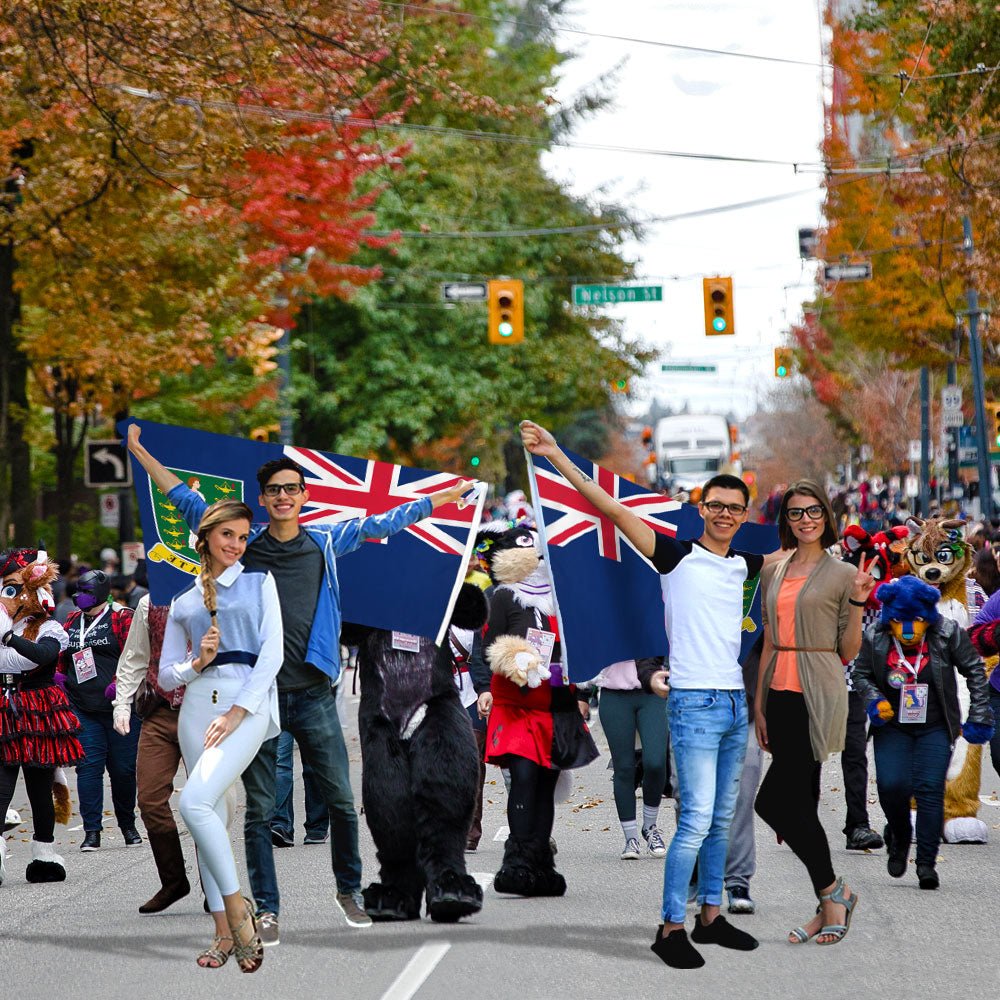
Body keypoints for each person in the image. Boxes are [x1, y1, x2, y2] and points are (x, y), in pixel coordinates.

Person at [127, 423, 473, 942]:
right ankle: (266, 908)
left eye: (292, 488)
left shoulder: (327, 542)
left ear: (304, 496)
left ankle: (349, 891)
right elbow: (183, 501)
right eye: (274, 491)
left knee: (338, 798)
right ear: (262, 500)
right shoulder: (245, 546)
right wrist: (139, 453)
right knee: (261, 811)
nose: (284, 496)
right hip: (258, 698)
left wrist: (439, 499)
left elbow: (385, 523)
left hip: (313, 693)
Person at [520, 419, 764, 970]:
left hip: (732, 703)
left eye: (734, 508)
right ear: (702, 509)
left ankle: (711, 916)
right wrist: (556, 452)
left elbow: (800, 556)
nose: (725, 513)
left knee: (721, 816)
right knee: (697, 818)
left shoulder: (744, 566)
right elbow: (606, 506)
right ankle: (669, 927)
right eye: (716, 505)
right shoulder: (675, 556)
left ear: (744, 516)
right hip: (694, 702)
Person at [158, 498, 279, 971]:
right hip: (195, 709)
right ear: (206, 536)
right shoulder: (185, 601)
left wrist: (237, 711)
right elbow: (166, 677)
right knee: (211, 816)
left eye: (243, 536)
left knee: (193, 802)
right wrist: (197, 663)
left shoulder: (259, 582)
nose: (236, 544)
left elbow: (272, 654)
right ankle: (222, 936)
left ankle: (238, 915)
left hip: (243, 707)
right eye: (228, 534)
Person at [754, 480, 874, 946]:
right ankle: (828, 902)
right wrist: (760, 705)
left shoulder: (843, 573)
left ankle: (833, 892)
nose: (805, 520)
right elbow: (767, 638)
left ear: (827, 517)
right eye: (796, 513)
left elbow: (846, 650)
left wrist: (860, 602)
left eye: (813, 512)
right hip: (778, 692)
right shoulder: (774, 570)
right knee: (799, 804)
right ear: (786, 520)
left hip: (817, 690)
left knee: (771, 802)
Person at [856, 575, 993, 889]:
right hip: (892, 726)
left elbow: (974, 669)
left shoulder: (947, 633)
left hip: (935, 726)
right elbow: (862, 675)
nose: (908, 629)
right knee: (892, 786)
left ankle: (927, 863)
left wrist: (980, 713)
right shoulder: (875, 636)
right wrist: (875, 701)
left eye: (916, 621)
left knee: (930, 790)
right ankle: (900, 835)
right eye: (901, 621)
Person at [0, 547, 81, 885]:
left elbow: (41, 657)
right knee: (2, 788)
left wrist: (7, 639)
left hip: (37, 710)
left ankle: (44, 854)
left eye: (15, 588)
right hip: (4, 707)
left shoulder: (49, 628)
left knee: (39, 787)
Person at [112, 595, 192, 913]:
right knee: (149, 798)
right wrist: (121, 703)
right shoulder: (150, 603)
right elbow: (134, 658)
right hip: (159, 712)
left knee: (206, 801)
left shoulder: (221, 591)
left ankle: (216, 884)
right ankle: (173, 880)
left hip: (204, 712)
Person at [60, 570, 141, 852]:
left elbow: (137, 656)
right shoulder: (72, 620)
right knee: (88, 769)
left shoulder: (122, 617)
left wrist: (120, 685)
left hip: (121, 707)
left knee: (123, 770)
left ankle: (128, 825)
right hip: (83, 707)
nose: (78, 595)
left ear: (100, 591)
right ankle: (92, 830)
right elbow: (63, 655)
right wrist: (60, 677)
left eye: (85, 590)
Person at [596, 658, 668, 861]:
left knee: (656, 761)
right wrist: (583, 695)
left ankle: (650, 827)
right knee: (624, 767)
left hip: (651, 691)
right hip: (614, 693)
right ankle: (631, 838)